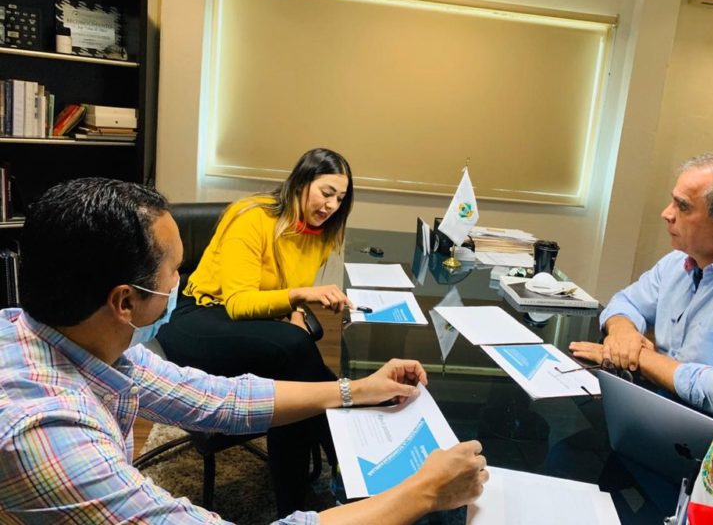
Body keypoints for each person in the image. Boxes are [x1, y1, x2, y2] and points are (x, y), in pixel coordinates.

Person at [0, 177, 488, 524]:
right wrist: (425, 491)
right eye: (175, 271)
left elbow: (216, 398)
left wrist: (356, 389)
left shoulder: (81, 339)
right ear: (125, 302)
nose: (181, 281)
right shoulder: (46, 435)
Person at [157, 148, 354, 513]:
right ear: (301, 182)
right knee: (300, 360)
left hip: (244, 324)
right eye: (327, 192)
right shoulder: (251, 217)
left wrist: (296, 312)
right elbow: (239, 303)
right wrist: (301, 298)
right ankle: (344, 467)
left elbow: (287, 290)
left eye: (340, 198)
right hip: (197, 314)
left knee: (295, 374)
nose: (332, 205)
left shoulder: (320, 233)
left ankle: (299, 503)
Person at [569, 153, 713, 461]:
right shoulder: (681, 260)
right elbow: (626, 302)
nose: (667, 214)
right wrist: (623, 331)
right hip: (668, 426)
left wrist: (639, 357)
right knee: (565, 454)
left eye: (683, 206)